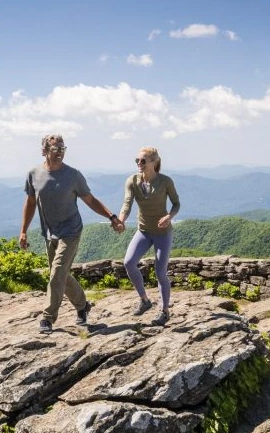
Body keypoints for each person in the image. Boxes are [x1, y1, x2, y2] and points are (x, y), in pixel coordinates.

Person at [19, 134, 121, 334]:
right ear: (44, 151)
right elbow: (30, 202)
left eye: (62, 149)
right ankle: (83, 306)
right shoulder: (33, 174)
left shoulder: (73, 175)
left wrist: (111, 216)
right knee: (61, 276)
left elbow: (90, 200)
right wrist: (23, 231)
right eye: (55, 149)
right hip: (50, 232)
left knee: (57, 272)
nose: (59, 153)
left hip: (71, 230)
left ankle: (48, 318)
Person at [114, 146, 180, 325]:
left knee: (160, 273)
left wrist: (169, 217)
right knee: (128, 262)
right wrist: (120, 220)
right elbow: (127, 204)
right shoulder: (132, 181)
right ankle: (145, 300)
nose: (139, 164)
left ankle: (165, 311)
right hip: (143, 231)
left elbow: (176, 204)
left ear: (154, 162)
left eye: (143, 161)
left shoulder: (165, 181)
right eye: (137, 160)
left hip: (162, 233)